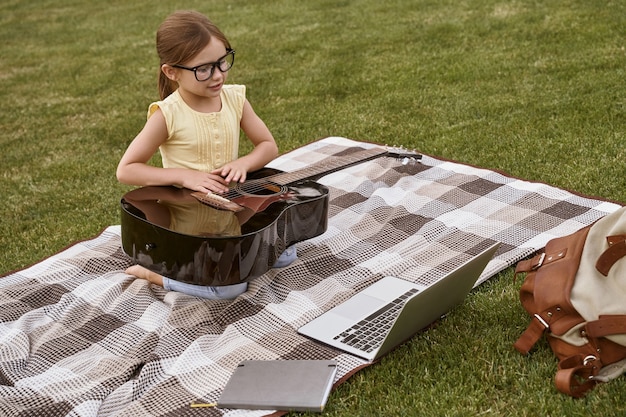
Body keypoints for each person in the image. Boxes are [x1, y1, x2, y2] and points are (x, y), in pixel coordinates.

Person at [117, 10, 295, 299]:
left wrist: (244, 163)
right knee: (228, 288)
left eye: (222, 61)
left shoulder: (234, 99)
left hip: (233, 213)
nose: (218, 75)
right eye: (204, 69)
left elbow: (267, 145)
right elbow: (126, 169)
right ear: (171, 72)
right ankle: (156, 274)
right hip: (190, 225)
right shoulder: (168, 115)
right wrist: (184, 176)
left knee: (284, 255)